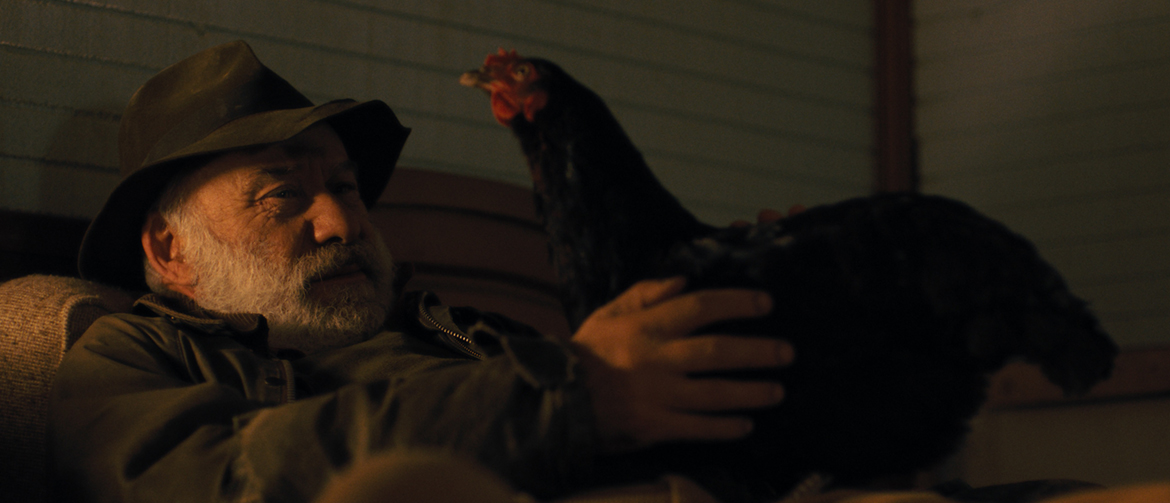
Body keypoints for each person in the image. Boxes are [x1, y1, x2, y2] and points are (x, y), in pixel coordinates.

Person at [50, 40, 794, 502]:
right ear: (170, 249)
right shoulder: (127, 358)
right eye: (282, 194)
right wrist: (570, 397)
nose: (343, 222)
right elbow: (225, 485)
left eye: (346, 187)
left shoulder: (468, 332)